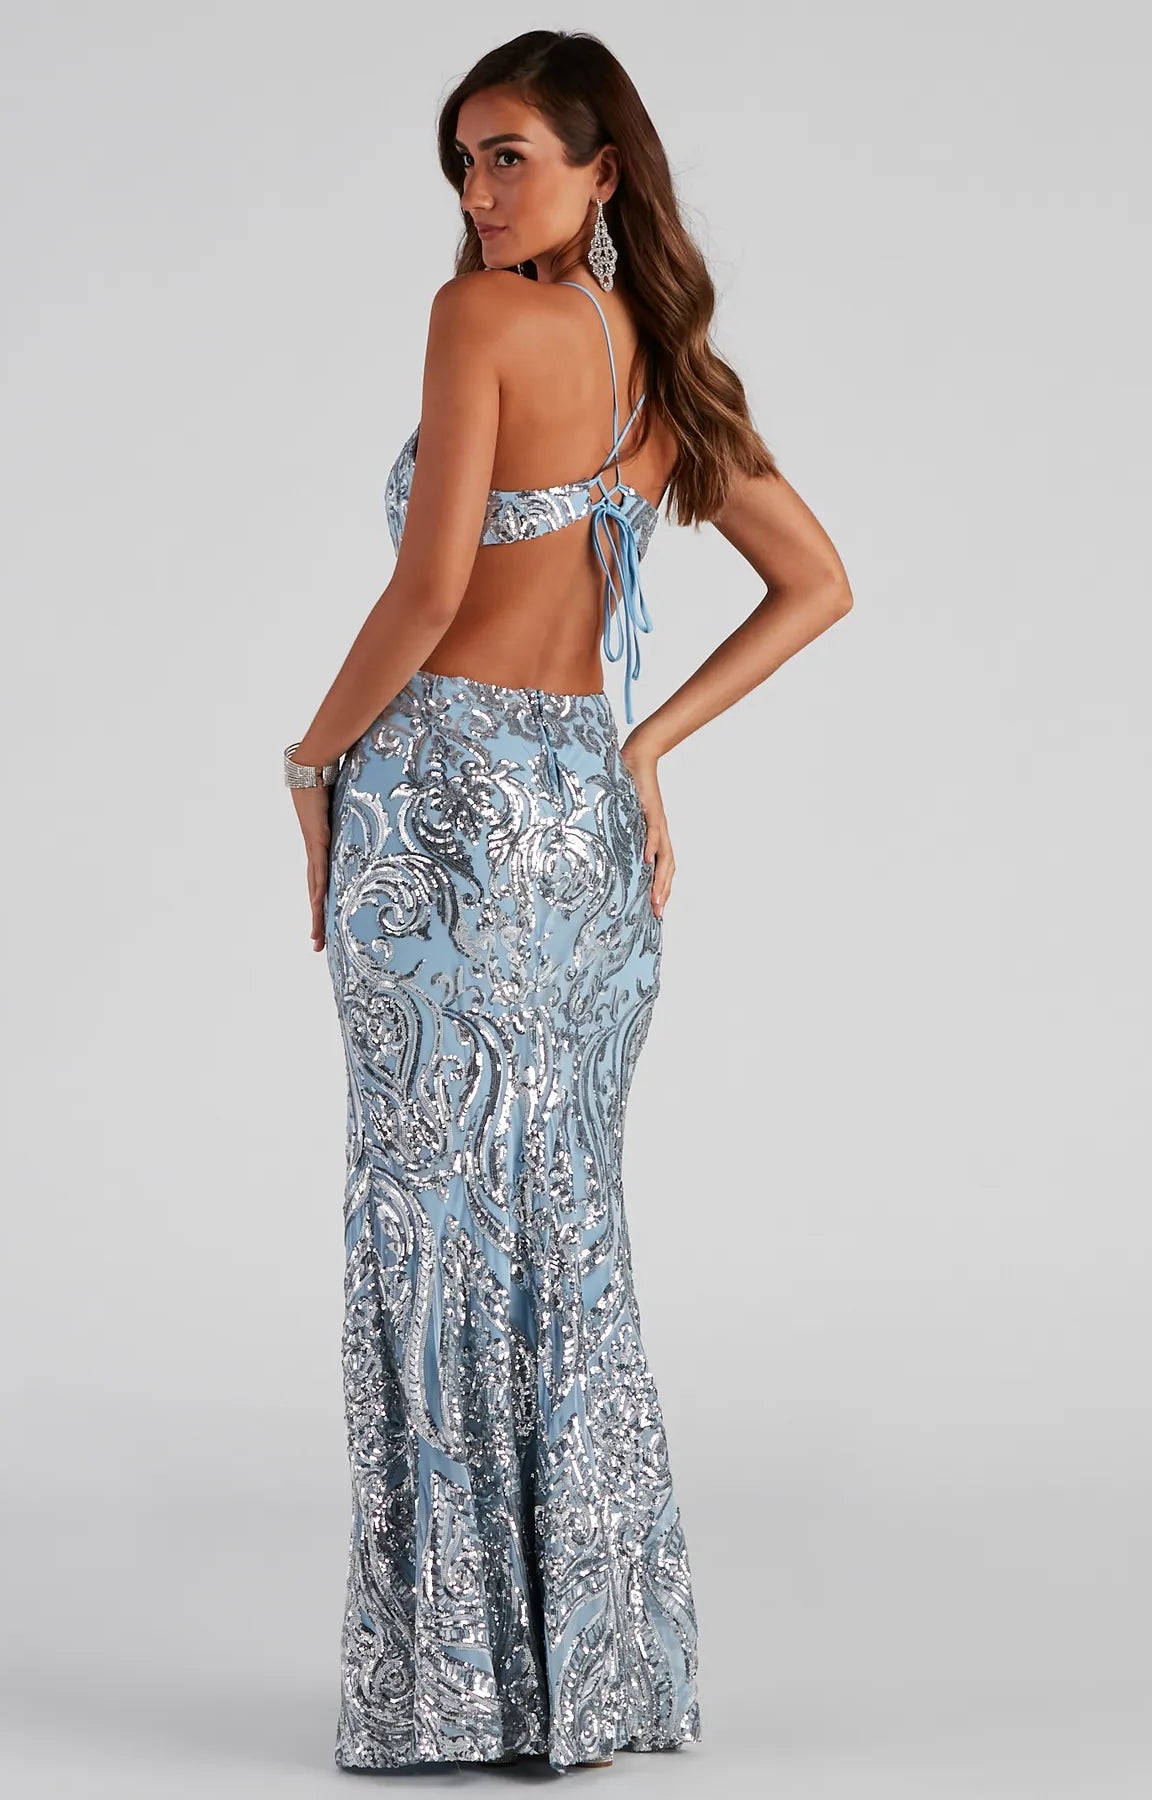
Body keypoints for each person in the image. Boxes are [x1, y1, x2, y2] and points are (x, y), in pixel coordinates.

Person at [283, 29, 852, 1775]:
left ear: (604, 170)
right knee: (562, 1236)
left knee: (435, 1232)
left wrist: (308, 760)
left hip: (443, 809)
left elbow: (427, 591)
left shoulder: (475, 321)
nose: (478, 193)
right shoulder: (662, 365)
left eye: (510, 155)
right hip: (581, 829)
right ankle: (591, 1684)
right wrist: (641, 747)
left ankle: (459, 1688)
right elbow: (817, 582)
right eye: (463, 161)